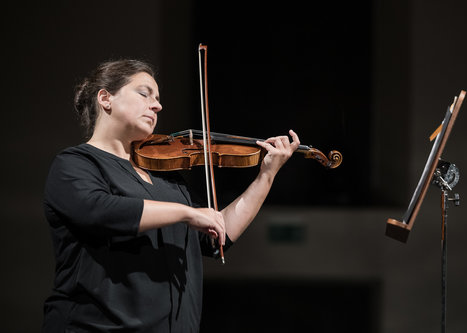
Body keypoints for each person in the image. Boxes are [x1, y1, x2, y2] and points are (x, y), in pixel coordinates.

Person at [42, 59, 300, 332]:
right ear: (106, 99)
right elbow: (100, 210)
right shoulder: (75, 164)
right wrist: (187, 213)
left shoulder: (165, 177)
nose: (157, 105)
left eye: (158, 98)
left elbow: (217, 231)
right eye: (144, 94)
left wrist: (266, 176)